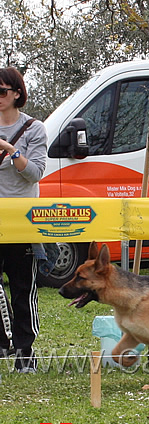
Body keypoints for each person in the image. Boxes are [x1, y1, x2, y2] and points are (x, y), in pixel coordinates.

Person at [0, 67, 48, 373]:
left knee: (22, 286)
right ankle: (2, 343)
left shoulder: (34, 128)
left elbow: (35, 173)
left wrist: (10, 149)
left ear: (17, 93)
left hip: (22, 218)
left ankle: (25, 353)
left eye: (2, 92)